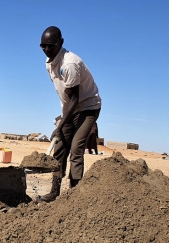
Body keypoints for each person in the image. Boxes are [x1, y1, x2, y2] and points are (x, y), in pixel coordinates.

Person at [38, 26, 102, 202]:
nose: (46, 49)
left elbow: (75, 99)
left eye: (50, 45)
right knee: (60, 148)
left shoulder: (70, 64)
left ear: (61, 43)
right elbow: (64, 95)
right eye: (42, 46)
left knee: (76, 149)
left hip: (88, 106)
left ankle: (75, 196)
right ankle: (54, 192)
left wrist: (60, 126)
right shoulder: (49, 63)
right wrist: (62, 120)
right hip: (70, 108)